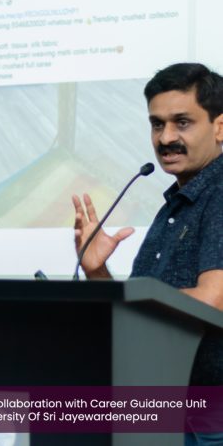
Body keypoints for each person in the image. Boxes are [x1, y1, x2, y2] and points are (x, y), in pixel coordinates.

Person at [72, 62, 223, 445]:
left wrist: (129, 300)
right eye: (157, 124)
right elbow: (146, 320)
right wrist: (98, 273)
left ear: (220, 127)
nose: (165, 137)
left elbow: (214, 301)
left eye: (182, 122)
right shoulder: (176, 204)